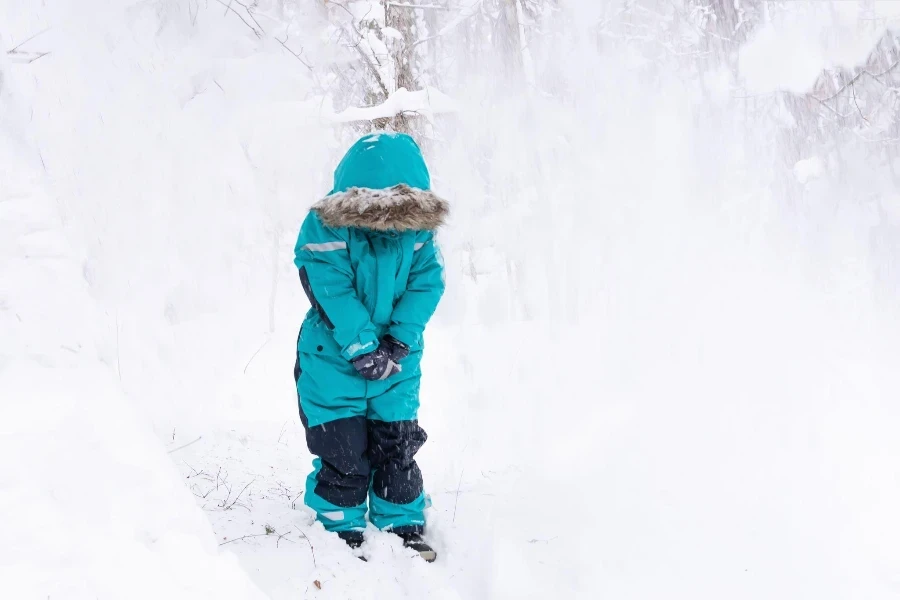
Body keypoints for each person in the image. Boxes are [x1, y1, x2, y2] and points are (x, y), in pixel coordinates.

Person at [292, 132, 448, 562]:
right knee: (343, 450)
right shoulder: (324, 228)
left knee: (396, 446)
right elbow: (329, 287)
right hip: (332, 359)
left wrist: (399, 339)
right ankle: (340, 526)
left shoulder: (418, 234)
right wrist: (361, 345)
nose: (386, 223)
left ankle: (401, 521)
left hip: (397, 363)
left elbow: (426, 283)